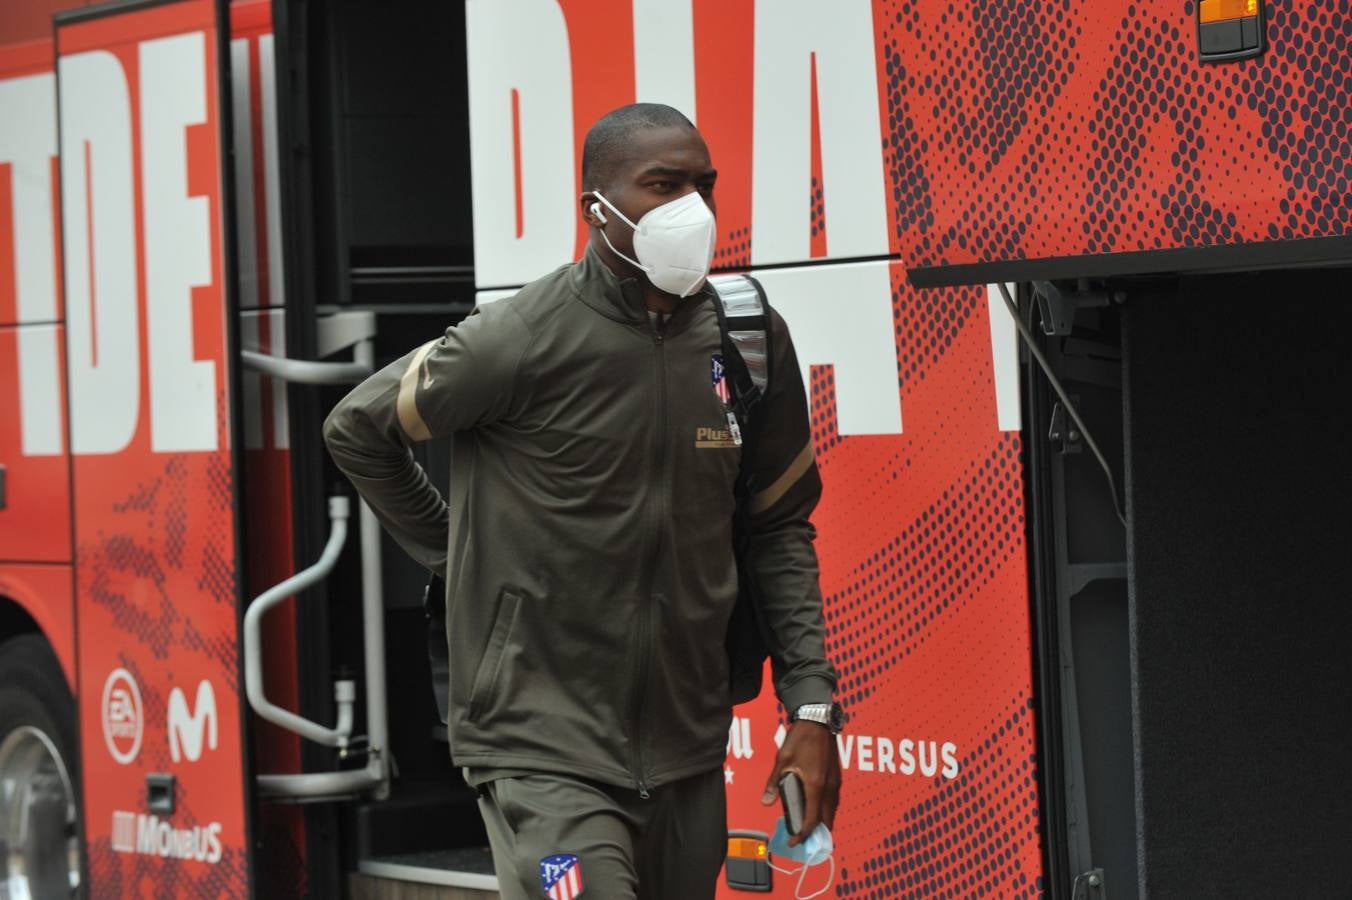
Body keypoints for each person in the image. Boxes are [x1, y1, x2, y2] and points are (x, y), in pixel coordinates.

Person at [323, 102, 842, 899]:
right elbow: (357, 428)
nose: (690, 211)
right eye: (662, 186)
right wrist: (457, 551)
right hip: (540, 748)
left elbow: (778, 528)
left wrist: (809, 708)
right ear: (596, 208)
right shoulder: (520, 337)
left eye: (703, 186)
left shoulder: (746, 337)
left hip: (685, 746)